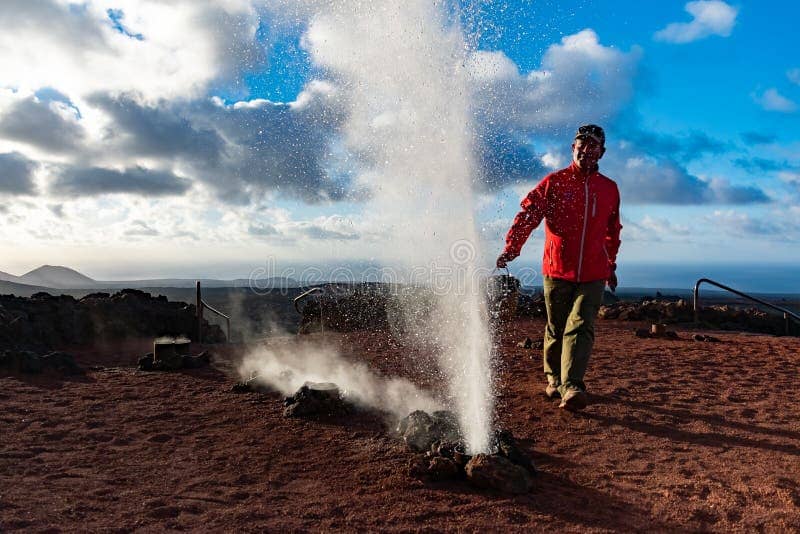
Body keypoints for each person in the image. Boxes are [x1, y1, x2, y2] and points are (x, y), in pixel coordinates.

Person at [496, 124, 622, 411]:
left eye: (593, 146)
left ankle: (572, 386)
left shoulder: (609, 189)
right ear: (573, 148)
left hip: (593, 272)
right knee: (556, 327)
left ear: (602, 152)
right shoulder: (555, 182)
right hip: (556, 269)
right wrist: (511, 248)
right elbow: (529, 213)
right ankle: (553, 379)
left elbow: (611, 231)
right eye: (582, 144)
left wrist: (610, 264)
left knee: (580, 326)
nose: (587, 150)